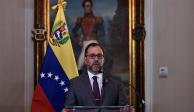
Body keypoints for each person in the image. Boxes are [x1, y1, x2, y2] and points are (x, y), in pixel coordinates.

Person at [62, 43, 135, 112]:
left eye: (99, 56)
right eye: (92, 56)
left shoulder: (116, 82)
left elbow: (124, 107)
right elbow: (69, 109)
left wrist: (128, 109)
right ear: (86, 60)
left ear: (103, 59)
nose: (96, 59)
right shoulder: (75, 83)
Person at [72, 0, 105, 71]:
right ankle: (80, 75)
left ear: (91, 7)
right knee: (82, 60)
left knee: (96, 60)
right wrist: (79, 38)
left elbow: (102, 32)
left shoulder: (97, 20)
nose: (88, 8)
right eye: (86, 6)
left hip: (94, 42)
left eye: (89, 6)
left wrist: (95, 36)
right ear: (84, 8)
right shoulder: (80, 20)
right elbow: (74, 31)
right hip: (85, 43)